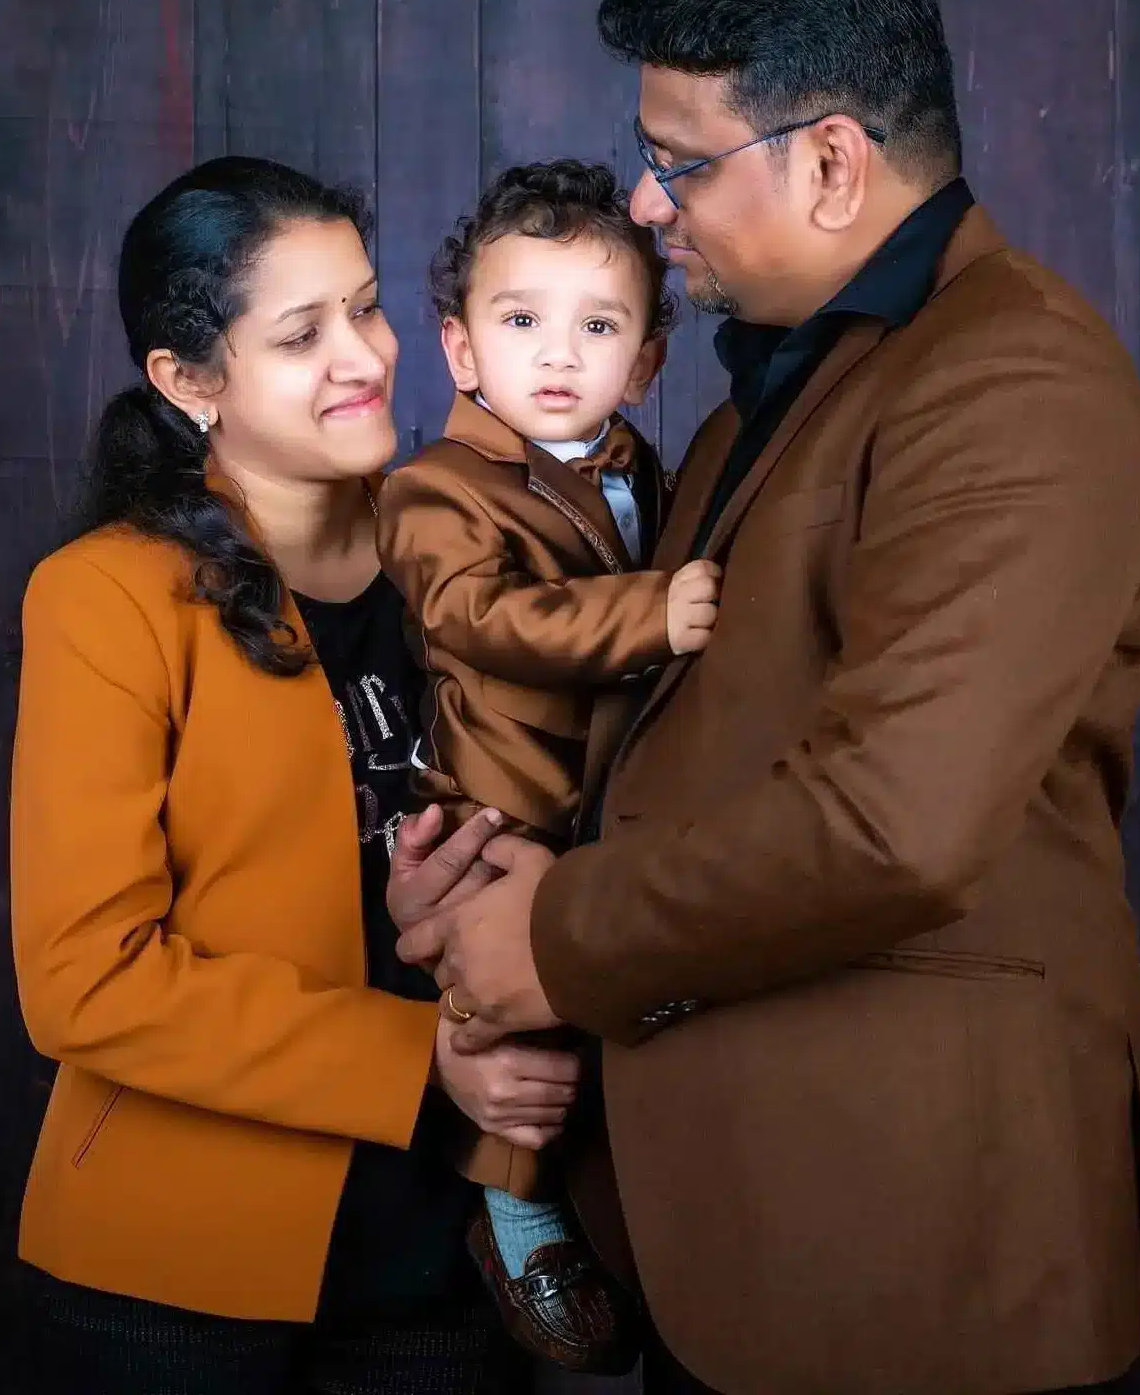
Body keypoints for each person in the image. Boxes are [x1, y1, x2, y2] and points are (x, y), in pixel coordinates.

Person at [389, 0, 1140, 1395]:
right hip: (742, 1235)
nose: (645, 205)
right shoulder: (764, 397)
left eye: (677, 164)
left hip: (916, 1250)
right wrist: (481, 880)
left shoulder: (1013, 377)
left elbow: (893, 824)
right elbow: (680, 739)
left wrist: (549, 939)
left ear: (829, 163)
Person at [8, 155, 565, 1393]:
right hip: (173, 1270)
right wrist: (420, 1058)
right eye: (302, 335)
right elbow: (84, 982)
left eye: (365, 308)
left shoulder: (470, 553)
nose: (363, 357)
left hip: (450, 1248)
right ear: (188, 380)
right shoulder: (104, 595)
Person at [376, 160, 720, 1372]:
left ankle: (607, 1210)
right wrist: (652, 613)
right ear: (462, 350)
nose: (559, 353)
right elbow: (479, 617)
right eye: (521, 321)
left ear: (646, 362)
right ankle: (514, 1212)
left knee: (617, 1002)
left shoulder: (644, 470)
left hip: (612, 806)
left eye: (599, 326)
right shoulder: (433, 488)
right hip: (501, 800)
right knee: (513, 1016)